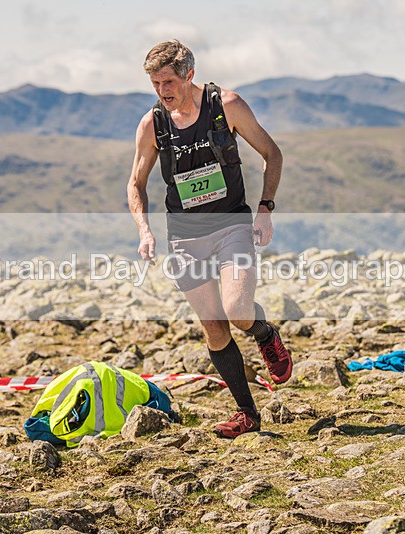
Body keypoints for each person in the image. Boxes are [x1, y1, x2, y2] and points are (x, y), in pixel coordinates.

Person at [127, 40, 292, 438]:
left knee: (237, 310)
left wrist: (266, 207)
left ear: (189, 75)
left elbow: (272, 154)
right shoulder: (153, 124)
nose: (162, 91)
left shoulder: (226, 105)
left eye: (168, 81)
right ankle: (247, 414)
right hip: (185, 237)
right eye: (155, 84)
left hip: (231, 225)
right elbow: (135, 183)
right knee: (215, 328)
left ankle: (264, 333)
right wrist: (144, 230)